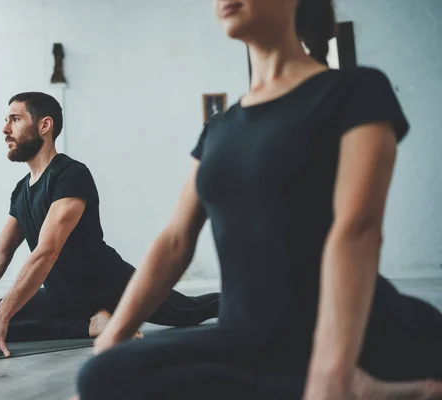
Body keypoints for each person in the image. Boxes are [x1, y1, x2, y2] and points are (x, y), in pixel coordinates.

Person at [73, 0, 442, 399]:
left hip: (357, 328)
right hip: (247, 335)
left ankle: (351, 381)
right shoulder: (219, 128)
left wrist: (332, 369)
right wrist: (115, 334)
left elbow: (357, 230)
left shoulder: (356, 90)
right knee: (101, 376)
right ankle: (369, 393)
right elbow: (175, 241)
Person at [0, 92, 220, 360]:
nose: (5, 129)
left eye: (15, 119)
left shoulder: (70, 174)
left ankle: (249, 299)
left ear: (44, 125)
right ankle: (93, 324)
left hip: (109, 284)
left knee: (191, 311)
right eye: (5, 120)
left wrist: (3, 317)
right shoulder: (21, 190)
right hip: (67, 297)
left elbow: (46, 251)